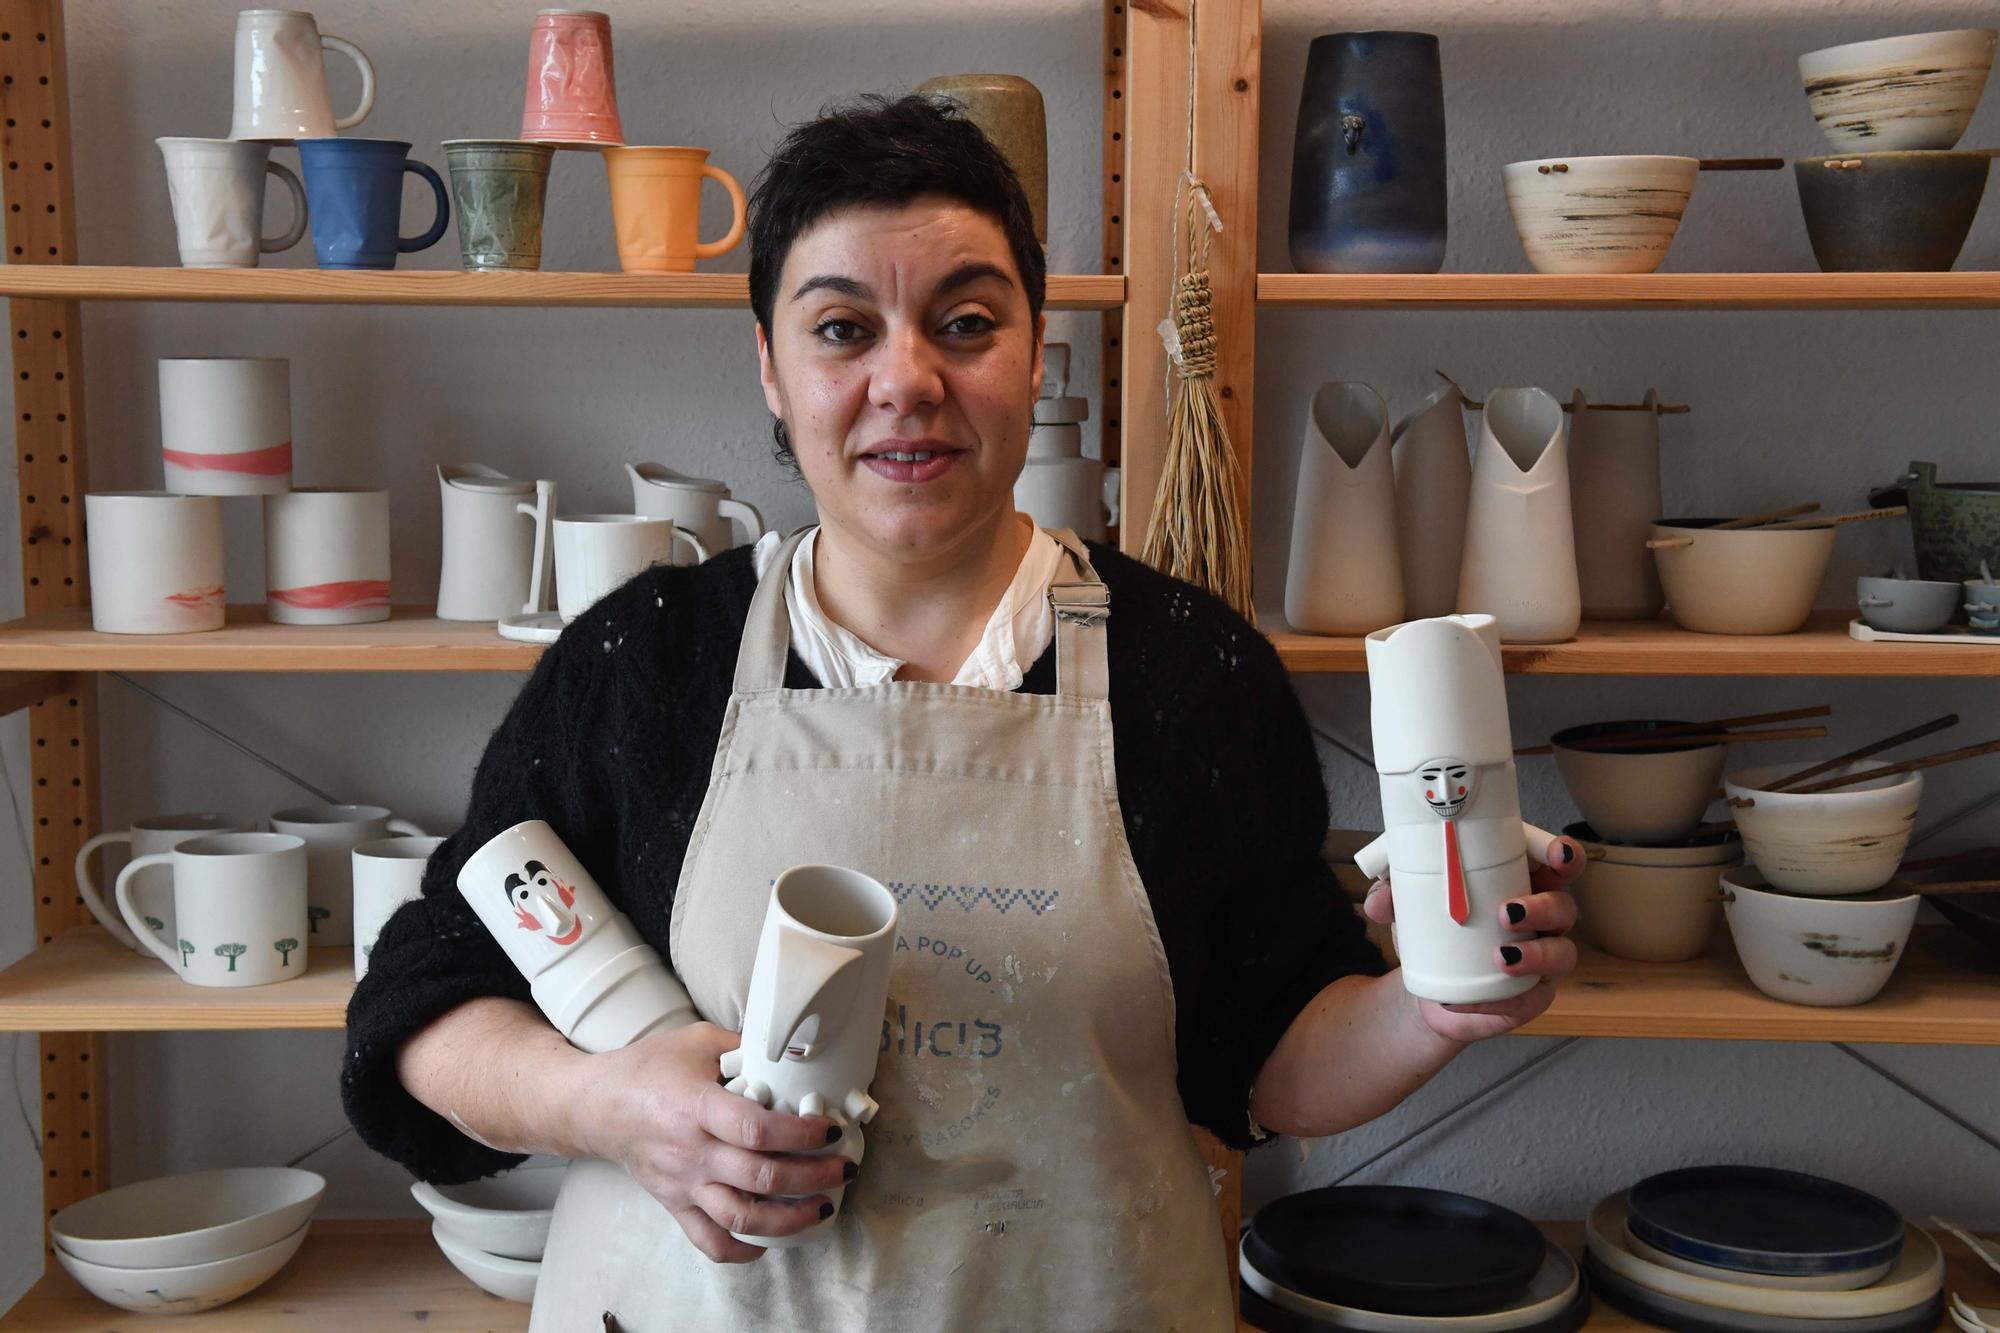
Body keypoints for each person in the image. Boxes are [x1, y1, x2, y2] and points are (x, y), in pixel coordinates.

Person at [343, 93, 1582, 1332]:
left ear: (1034, 348)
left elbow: (1271, 1051)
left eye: (966, 322)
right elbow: (422, 1002)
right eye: (842, 329)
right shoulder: (647, 661)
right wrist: (603, 1106)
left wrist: (1428, 1007)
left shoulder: (1191, 674)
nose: (906, 380)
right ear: (769, 368)